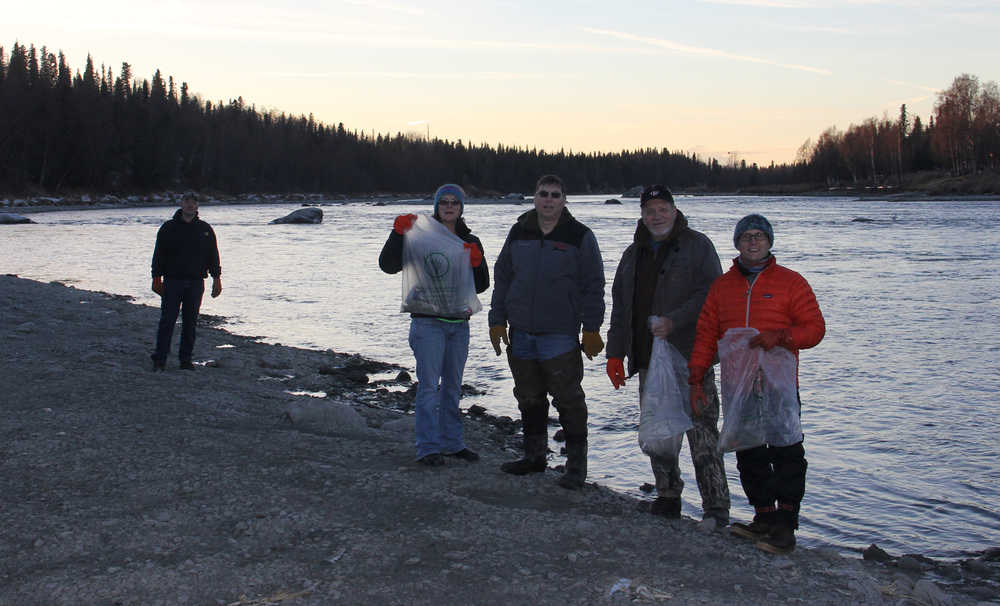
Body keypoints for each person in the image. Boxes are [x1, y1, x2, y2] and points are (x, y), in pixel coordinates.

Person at [688, 213, 825, 554]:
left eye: (759, 236)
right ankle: (762, 516)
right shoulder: (722, 287)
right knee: (748, 450)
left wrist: (781, 336)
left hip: (778, 385)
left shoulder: (792, 283)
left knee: (787, 451)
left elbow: (815, 329)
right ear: (737, 243)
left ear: (769, 242)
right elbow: (707, 334)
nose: (753, 241)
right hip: (739, 384)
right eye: (746, 236)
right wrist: (695, 378)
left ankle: (786, 524)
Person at [605, 185, 731, 526]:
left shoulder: (698, 246)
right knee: (659, 428)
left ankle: (716, 506)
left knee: (702, 430)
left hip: (693, 356)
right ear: (642, 215)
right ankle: (667, 494)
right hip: (648, 358)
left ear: (674, 211)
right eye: (650, 210)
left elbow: (712, 294)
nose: (656, 215)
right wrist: (614, 353)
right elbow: (621, 307)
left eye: (663, 208)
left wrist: (676, 321)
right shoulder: (633, 254)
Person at [489, 174, 606, 490]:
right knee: (529, 397)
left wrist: (592, 328)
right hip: (521, 332)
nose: (549, 200)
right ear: (534, 197)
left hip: (560, 335)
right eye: (544, 194)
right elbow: (503, 277)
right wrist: (496, 320)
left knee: (569, 400)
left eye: (556, 195)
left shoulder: (580, 235)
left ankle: (576, 467)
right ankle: (534, 457)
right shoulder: (519, 232)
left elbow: (594, 285)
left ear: (564, 199)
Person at [379, 184, 490, 466]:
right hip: (427, 323)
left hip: (458, 324)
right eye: (444, 202)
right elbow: (388, 265)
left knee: (453, 387)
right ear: (437, 206)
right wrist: (397, 234)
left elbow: (482, 285)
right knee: (429, 387)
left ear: (462, 207)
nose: (450, 206)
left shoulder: (471, 239)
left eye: (455, 202)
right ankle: (428, 447)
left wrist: (476, 262)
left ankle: (453, 444)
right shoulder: (421, 236)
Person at [150, 192, 222, 371]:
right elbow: (159, 254)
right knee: (168, 321)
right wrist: (156, 277)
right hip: (173, 281)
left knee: (191, 323)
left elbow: (213, 255)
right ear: (181, 204)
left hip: (196, 282)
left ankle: (185, 360)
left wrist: (217, 278)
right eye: (187, 202)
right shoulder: (168, 228)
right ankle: (160, 359)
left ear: (198, 206)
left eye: (194, 202)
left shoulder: (205, 229)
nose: (190, 205)